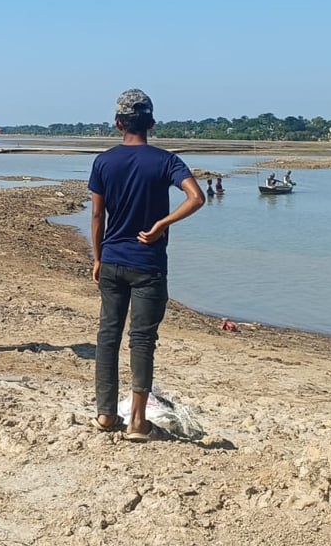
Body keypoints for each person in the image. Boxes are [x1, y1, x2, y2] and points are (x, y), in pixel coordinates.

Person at [88, 89, 204, 441]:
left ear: (118, 124)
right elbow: (196, 198)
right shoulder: (166, 161)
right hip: (148, 264)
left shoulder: (104, 162)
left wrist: (97, 257)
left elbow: (97, 215)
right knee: (142, 340)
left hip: (112, 260)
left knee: (108, 336)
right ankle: (138, 423)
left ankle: (106, 415)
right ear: (151, 123)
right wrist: (162, 225)